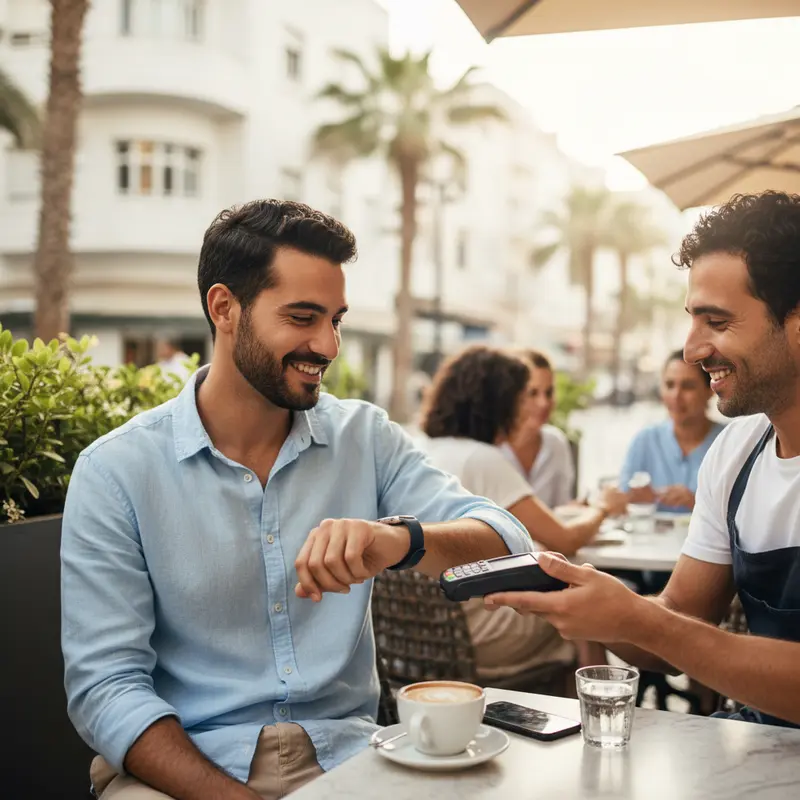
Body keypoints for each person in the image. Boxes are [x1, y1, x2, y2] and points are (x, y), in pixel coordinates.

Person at [60, 200, 533, 800]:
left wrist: (401, 540)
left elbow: (508, 540)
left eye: (335, 319)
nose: (328, 344)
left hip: (353, 760)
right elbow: (106, 688)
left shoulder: (365, 436)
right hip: (183, 772)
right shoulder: (115, 471)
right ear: (224, 308)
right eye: (303, 317)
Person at [484, 192, 800, 728]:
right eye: (692, 320)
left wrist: (640, 620)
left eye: (716, 322)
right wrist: (587, 599)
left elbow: (665, 630)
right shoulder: (736, 451)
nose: (692, 350)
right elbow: (677, 620)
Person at [418, 345, 627, 680]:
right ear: (499, 404)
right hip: (476, 636)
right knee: (582, 601)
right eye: (520, 398)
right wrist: (603, 509)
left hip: (421, 635)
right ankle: (595, 712)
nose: (526, 409)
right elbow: (565, 537)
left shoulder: (426, 451)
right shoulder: (481, 459)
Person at [620, 349, 724, 513]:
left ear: (710, 390)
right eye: (669, 385)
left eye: (688, 386)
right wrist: (634, 499)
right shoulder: (645, 441)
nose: (676, 395)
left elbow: (744, 516)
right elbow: (621, 502)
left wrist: (696, 502)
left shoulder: (729, 443)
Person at [499, 349, 576, 508]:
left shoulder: (556, 443)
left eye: (549, 393)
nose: (544, 403)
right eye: (532, 393)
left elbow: (561, 508)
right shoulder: (489, 448)